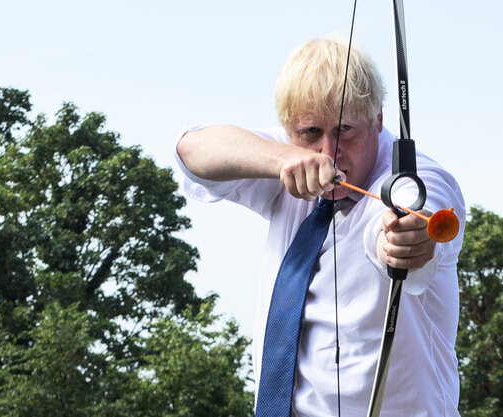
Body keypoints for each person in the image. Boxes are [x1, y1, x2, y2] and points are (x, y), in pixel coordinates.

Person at [174, 36, 465, 416]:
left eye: (346, 130)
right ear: (289, 129)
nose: (328, 152)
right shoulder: (291, 159)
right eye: (310, 133)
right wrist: (284, 158)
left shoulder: (418, 178)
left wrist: (403, 240)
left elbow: (408, 214)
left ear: (378, 118)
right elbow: (191, 150)